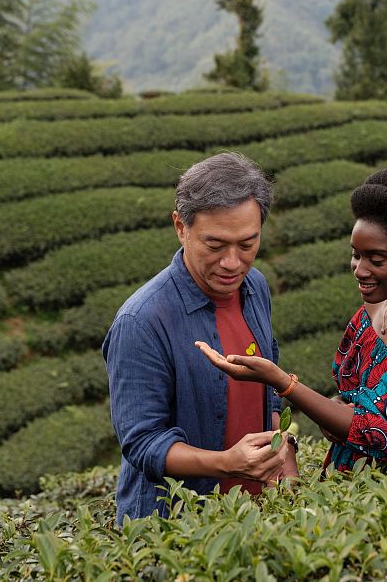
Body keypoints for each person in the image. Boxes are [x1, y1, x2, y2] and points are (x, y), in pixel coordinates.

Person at [198, 168, 387, 472]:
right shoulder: (375, 306)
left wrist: (281, 381)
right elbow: (355, 396)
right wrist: (335, 407)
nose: (359, 269)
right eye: (356, 255)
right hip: (353, 478)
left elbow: (377, 426)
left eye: (376, 259)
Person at [103, 152, 296, 524]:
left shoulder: (254, 286)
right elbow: (143, 443)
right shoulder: (142, 321)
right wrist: (226, 465)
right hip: (176, 523)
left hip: (253, 514)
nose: (232, 262)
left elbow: (265, 385)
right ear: (181, 227)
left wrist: (282, 453)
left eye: (247, 244)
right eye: (215, 245)